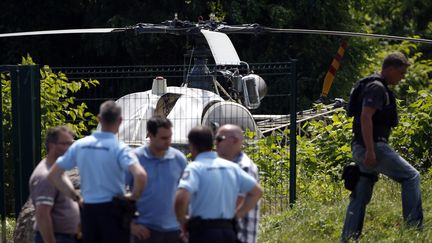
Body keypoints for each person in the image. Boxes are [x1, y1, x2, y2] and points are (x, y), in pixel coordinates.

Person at [341, 52, 423, 241]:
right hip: (372, 147)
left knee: (360, 195)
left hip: (362, 147)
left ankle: (348, 238)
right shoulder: (377, 88)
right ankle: (413, 231)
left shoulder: (372, 85)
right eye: (401, 73)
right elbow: (365, 117)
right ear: (391, 69)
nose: (402, 78)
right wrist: (370, 150)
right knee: (411, 176)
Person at [48, 100, 148, 243]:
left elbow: (54, 175)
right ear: (120, 121)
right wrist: (133, 197)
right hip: (114, 211)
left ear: (99, 119)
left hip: (89, 211)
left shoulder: (80, 145)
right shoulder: (119, 148)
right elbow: (141, 175)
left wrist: (75, 196)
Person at [175, 126, 263, 243]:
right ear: (211, 143)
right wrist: (237, 214)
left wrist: (182, 221)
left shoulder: (195, 168)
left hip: (203, 232)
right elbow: (257, 192)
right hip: (228, 231)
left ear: (191, 145)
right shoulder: (232, 167)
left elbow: (181, 197)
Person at [127, 116, 187, 243]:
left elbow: (186, 194)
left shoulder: (179, 159)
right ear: (150, 135)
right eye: (164, 138)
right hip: (144, 231)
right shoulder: (134, 159)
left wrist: (184, 223)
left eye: (170, 137)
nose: (168, 141)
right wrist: (131, 225)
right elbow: (117, 193)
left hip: (173, 231)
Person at [29, 126, 79, 243]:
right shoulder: (45, 176)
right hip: (57, 237)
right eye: (65, 144)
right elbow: (42, 215)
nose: (70, 148)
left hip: (65, 236)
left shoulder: (56, 169)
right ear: (51, 145)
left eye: (70, 144)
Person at [215, 124, 260, 243]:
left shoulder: (243, 167)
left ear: (234, 140)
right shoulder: (228, 165)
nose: (216, 143)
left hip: (239, 235)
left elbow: (236, 202)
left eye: (219, 139)